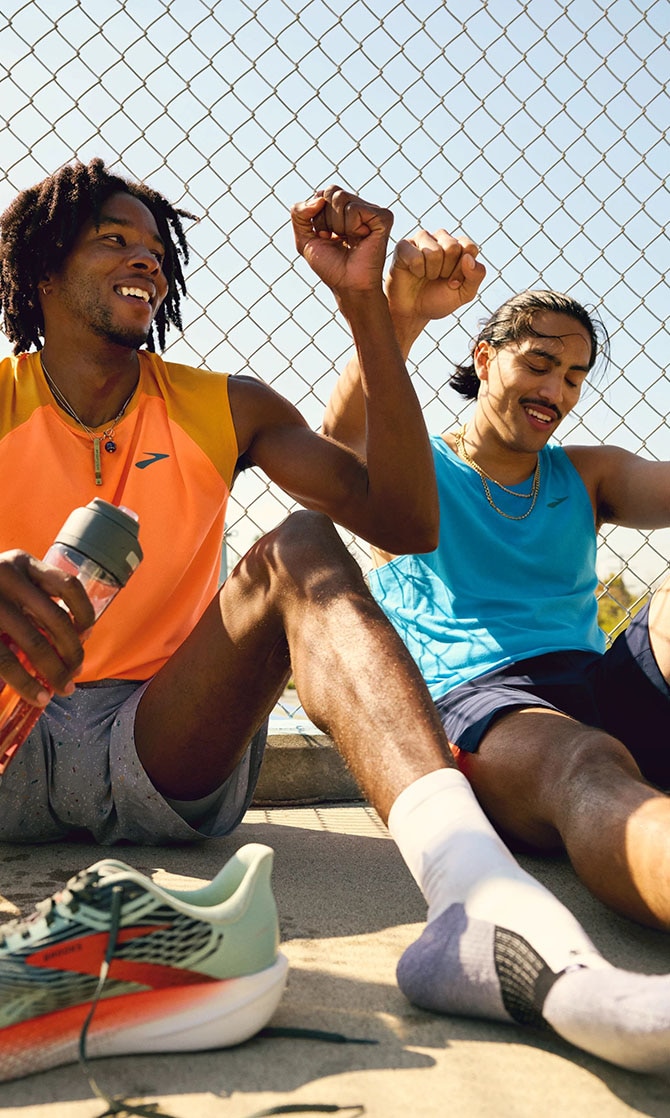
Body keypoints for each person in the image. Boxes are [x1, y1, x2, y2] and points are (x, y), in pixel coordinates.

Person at [0, 160, 669, 1081]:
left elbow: (403, 522)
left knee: (302, 543)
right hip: (9, 727)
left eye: (157, 250)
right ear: (41, 266)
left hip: (155, 742)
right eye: (115, 240)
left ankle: (478, 903)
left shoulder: (220, 406)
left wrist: (370, 309)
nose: (146, 262)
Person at [323, 224, 670, 941]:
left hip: (600, 683)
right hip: (487, 703)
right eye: (539, 364)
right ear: (485, 359)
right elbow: (338, 446)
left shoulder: (587, 472)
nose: (556, 390)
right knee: (589, 764)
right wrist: (402, 313)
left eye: (573, 377)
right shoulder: (413, 464)